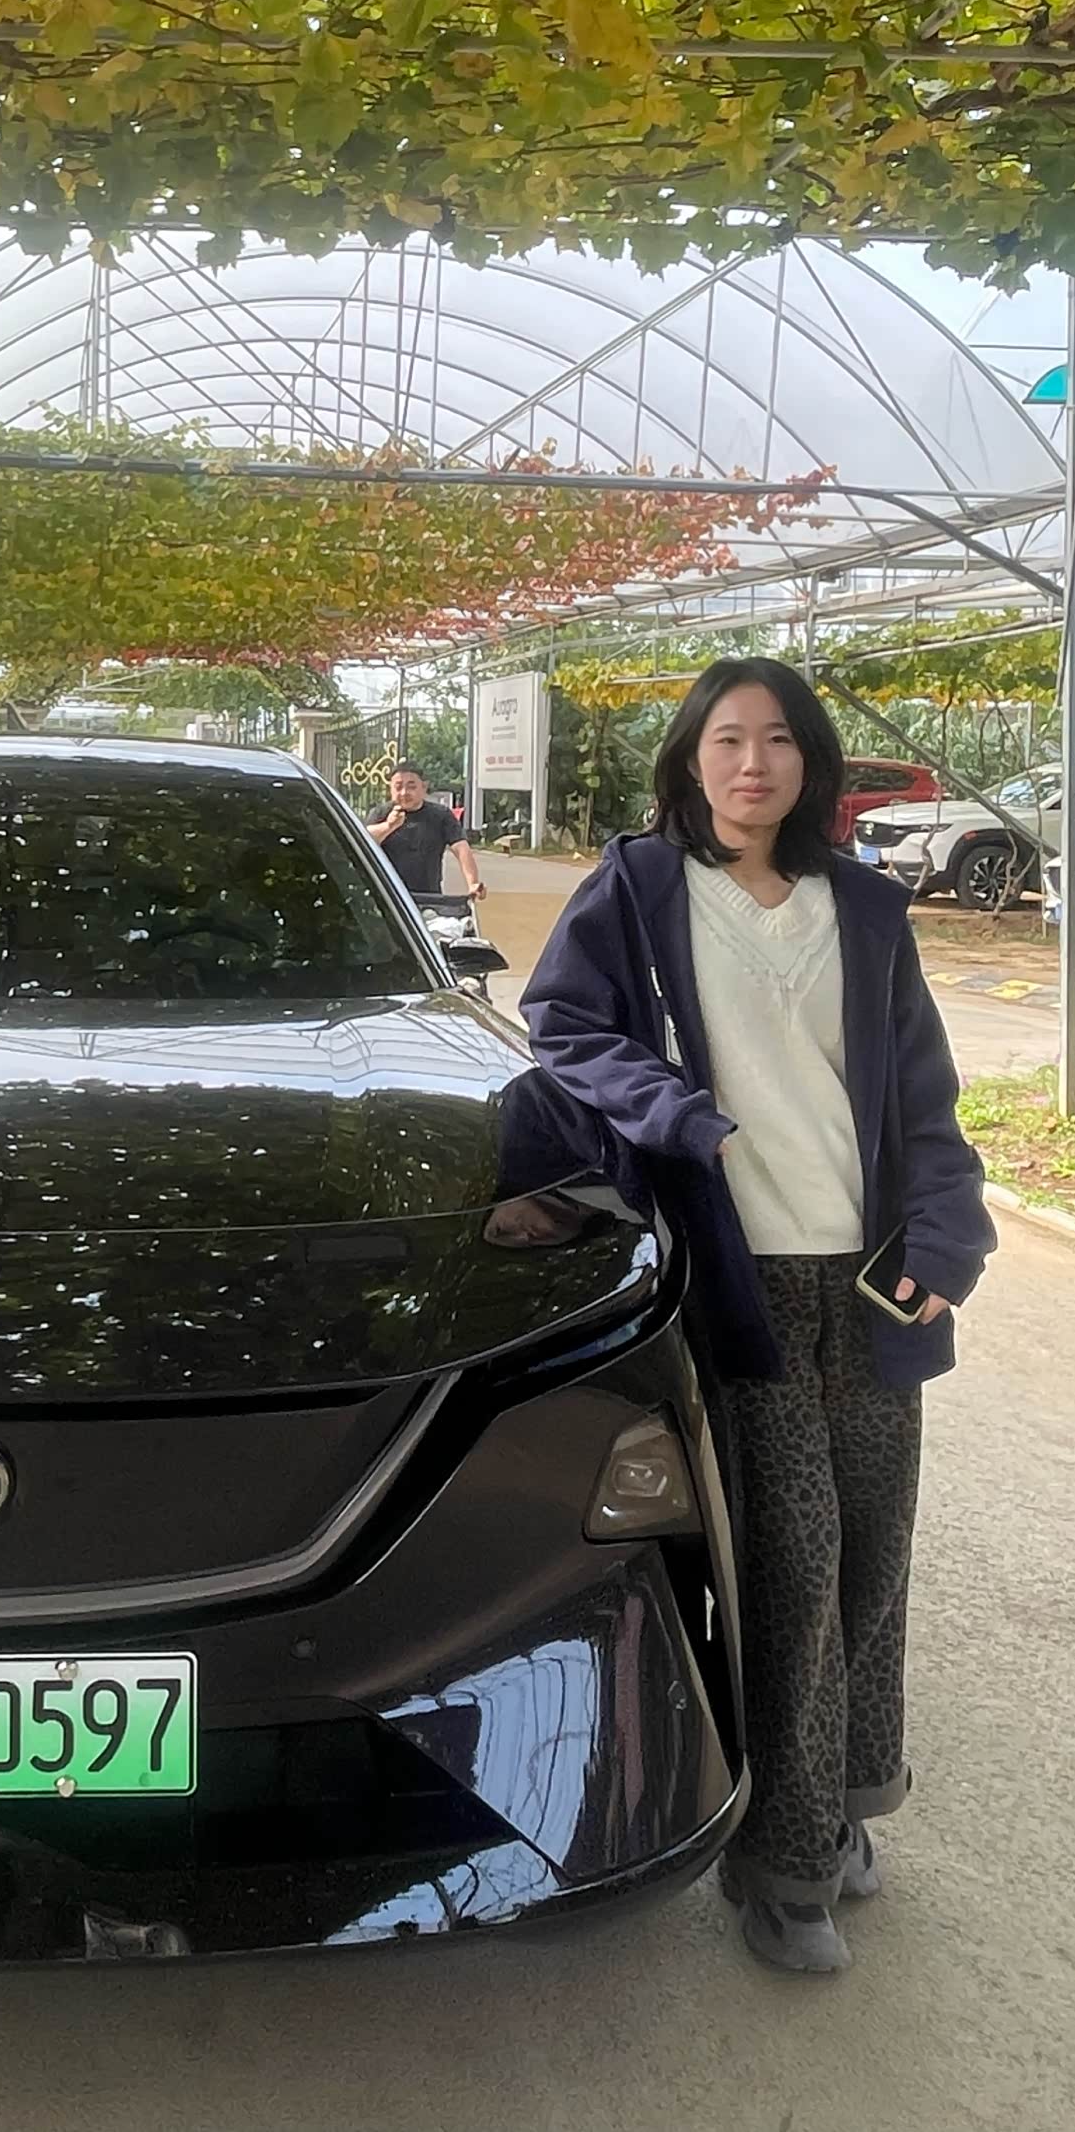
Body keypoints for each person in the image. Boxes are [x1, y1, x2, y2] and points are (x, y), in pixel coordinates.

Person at [519, 658, 990, 1978]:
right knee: (793, 1563)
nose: (750, 762)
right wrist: (676, 1113)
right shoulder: (639, 887)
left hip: (870, 1281)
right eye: (725, 738)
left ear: (807, 761)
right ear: (688, 758)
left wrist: (942, 1241)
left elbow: (924, 1101)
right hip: (743, 1282)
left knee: (872, 1557)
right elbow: (561, 1024)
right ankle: (781, 1864)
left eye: (776, 739)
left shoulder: (866, 907)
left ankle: (845, 1799)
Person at [369, 763, 485, 902]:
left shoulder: (440, 815)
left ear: (424, 787)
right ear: (390, 789)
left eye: (411, 787)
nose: (404, 793)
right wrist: (389, 826)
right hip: (387, 896)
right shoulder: (380, 814)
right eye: (398, 787)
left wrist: (473, 882)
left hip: (429, 898)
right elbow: (364, 840)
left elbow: (461, 848)